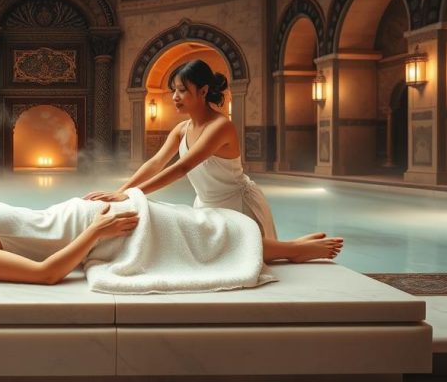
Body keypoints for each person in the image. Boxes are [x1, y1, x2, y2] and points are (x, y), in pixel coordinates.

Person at [84, 59, 343, 263]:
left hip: (236, 203)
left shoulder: (221, 127)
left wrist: (130, 195)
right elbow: (155, 162)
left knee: (238, 253)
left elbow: (182, 167)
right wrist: (120, 192)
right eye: (174, 90)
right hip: (206, 206)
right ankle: (296, 245)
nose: (175, 96)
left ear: (204, 91)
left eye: (182, 90)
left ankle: (295, 250)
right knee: (211, 253)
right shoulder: (183, 129)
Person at [0, 191, 275, 293]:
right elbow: (45, 274)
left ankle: (287, 248)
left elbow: (34, 222)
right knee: (202, 231)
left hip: (88, 215)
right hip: (100, 236)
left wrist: (87, 204)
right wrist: (96, 232)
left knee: (200, 225)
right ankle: (289, 250)